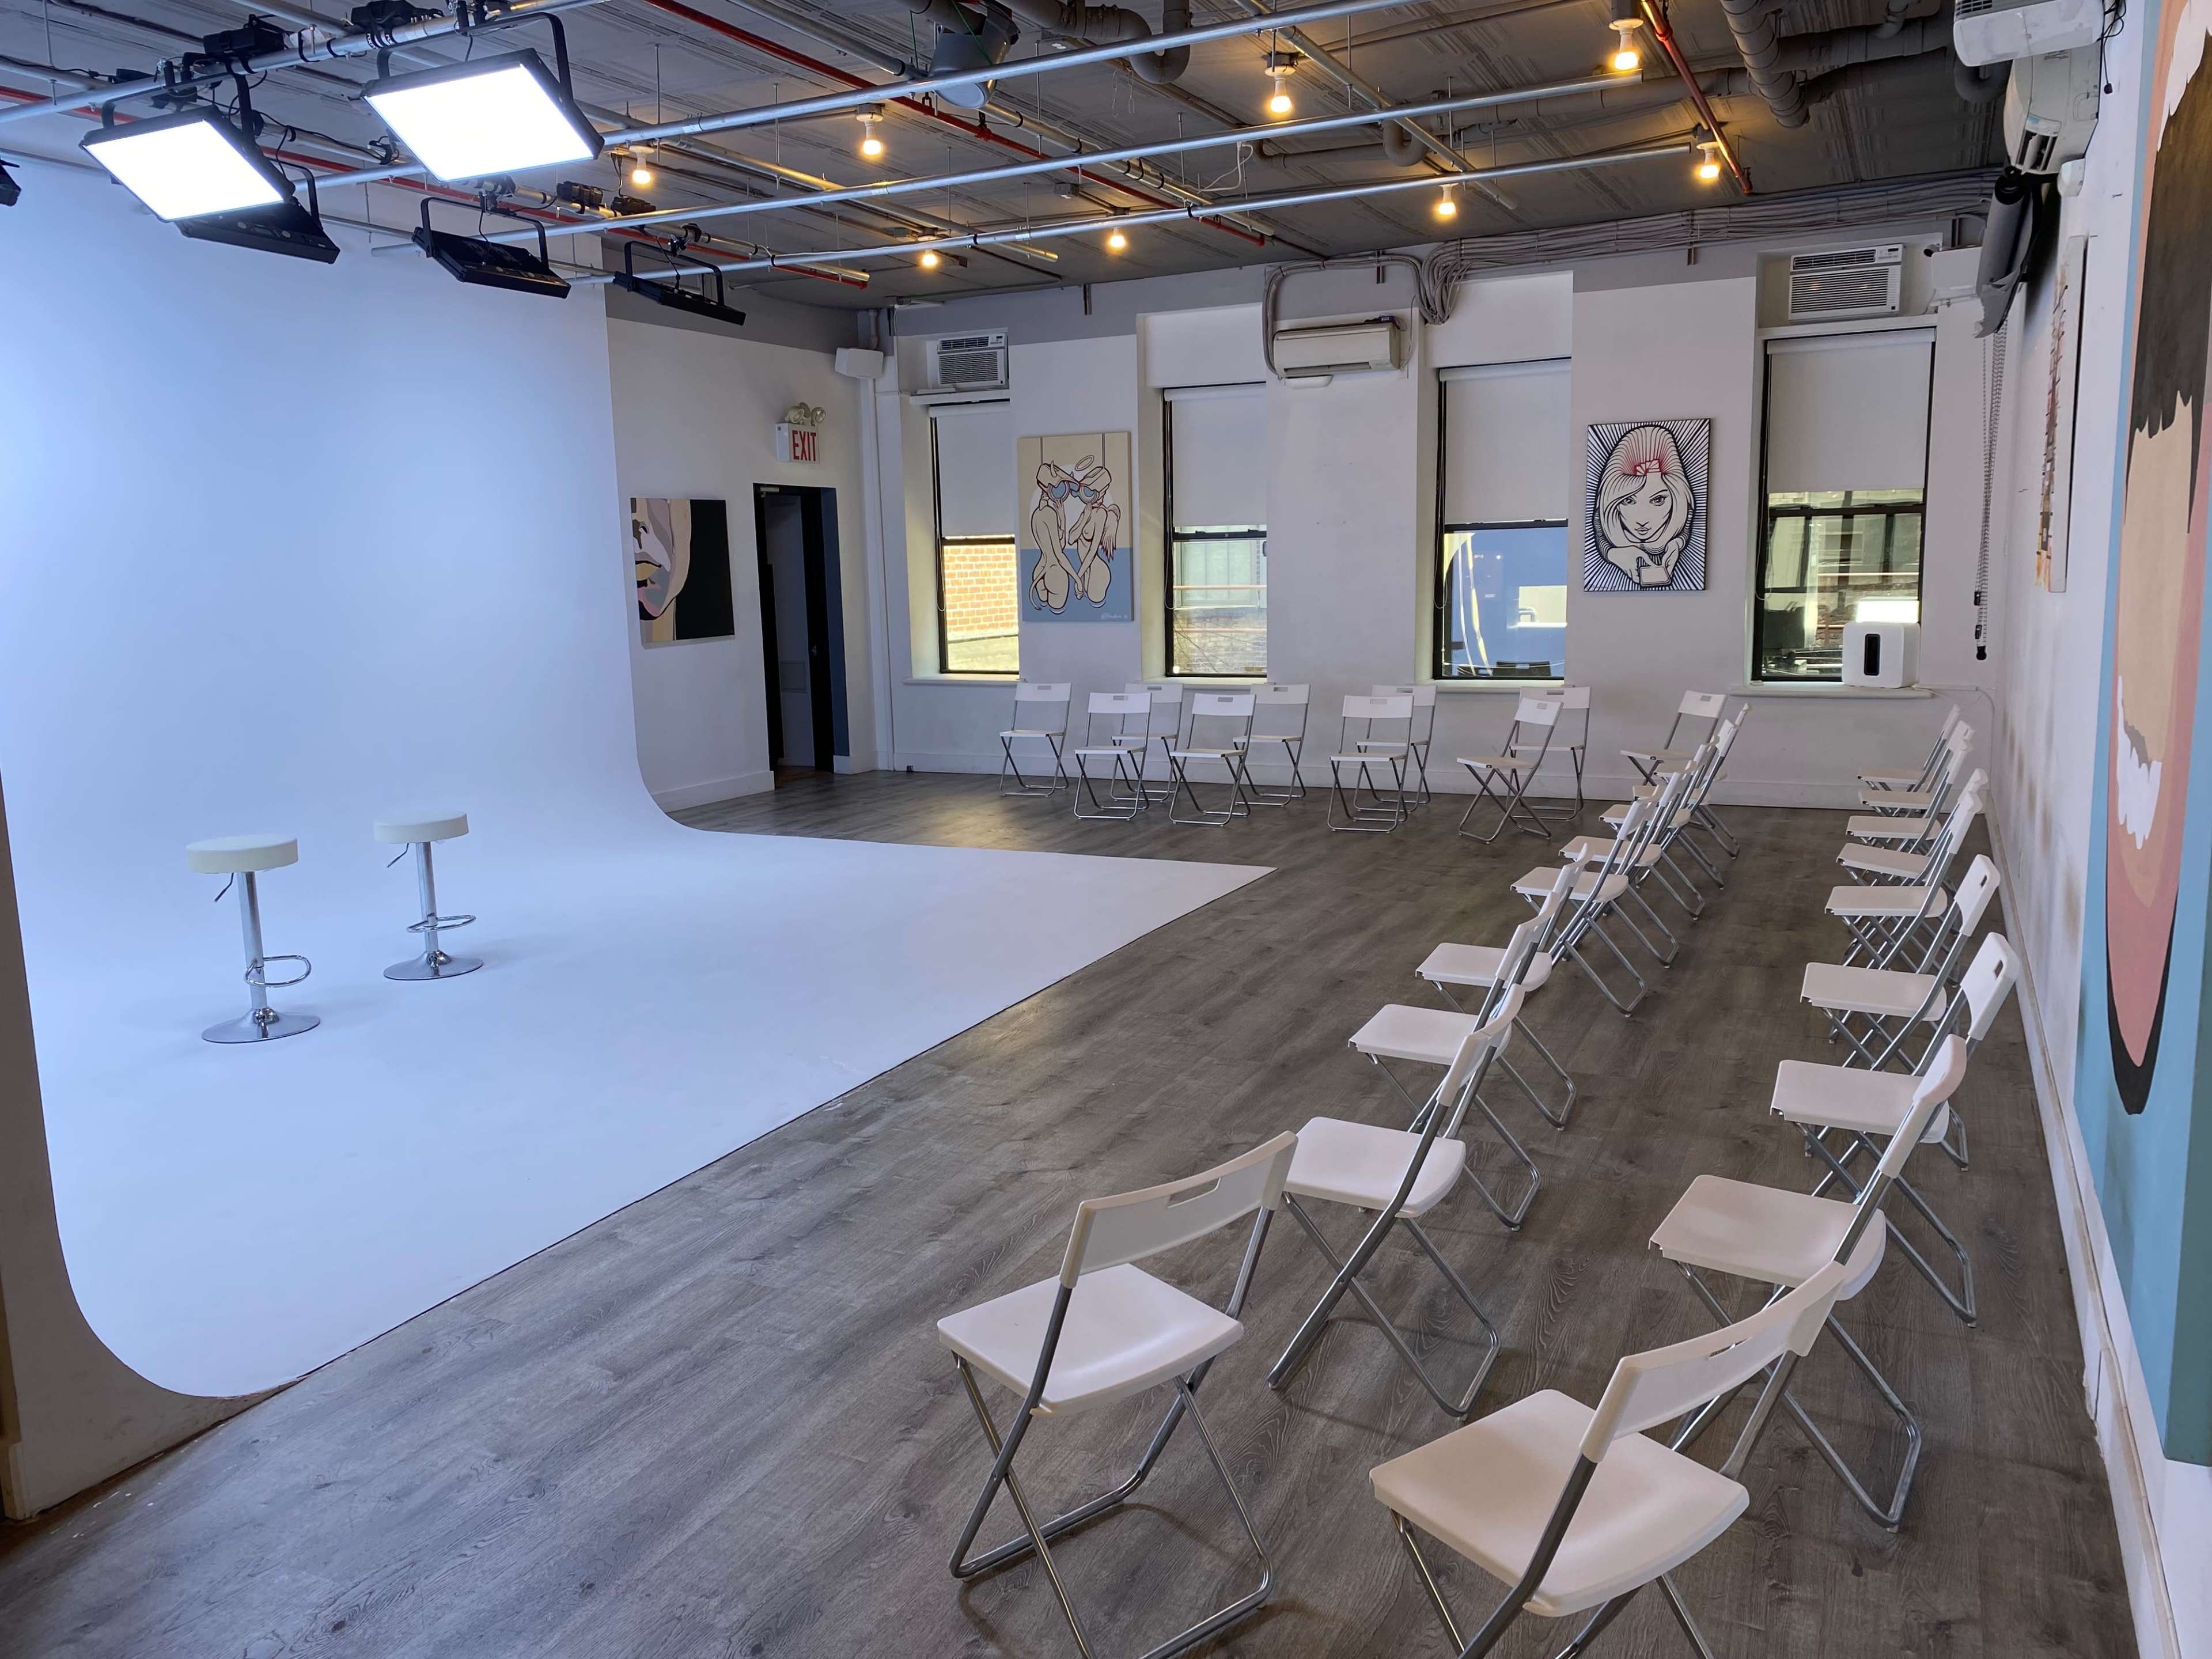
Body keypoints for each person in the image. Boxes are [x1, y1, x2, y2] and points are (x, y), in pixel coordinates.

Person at [1591, 424, 1695, 588]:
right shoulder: (1604, 521)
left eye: (1658, 500)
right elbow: (1598, 525)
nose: (1642, 519)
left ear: (1677, 499)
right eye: (1628, 501)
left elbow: (1688, 521)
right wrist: (1613, 554)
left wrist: (1677, 545)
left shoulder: (1682, 517)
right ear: (1613, 504)